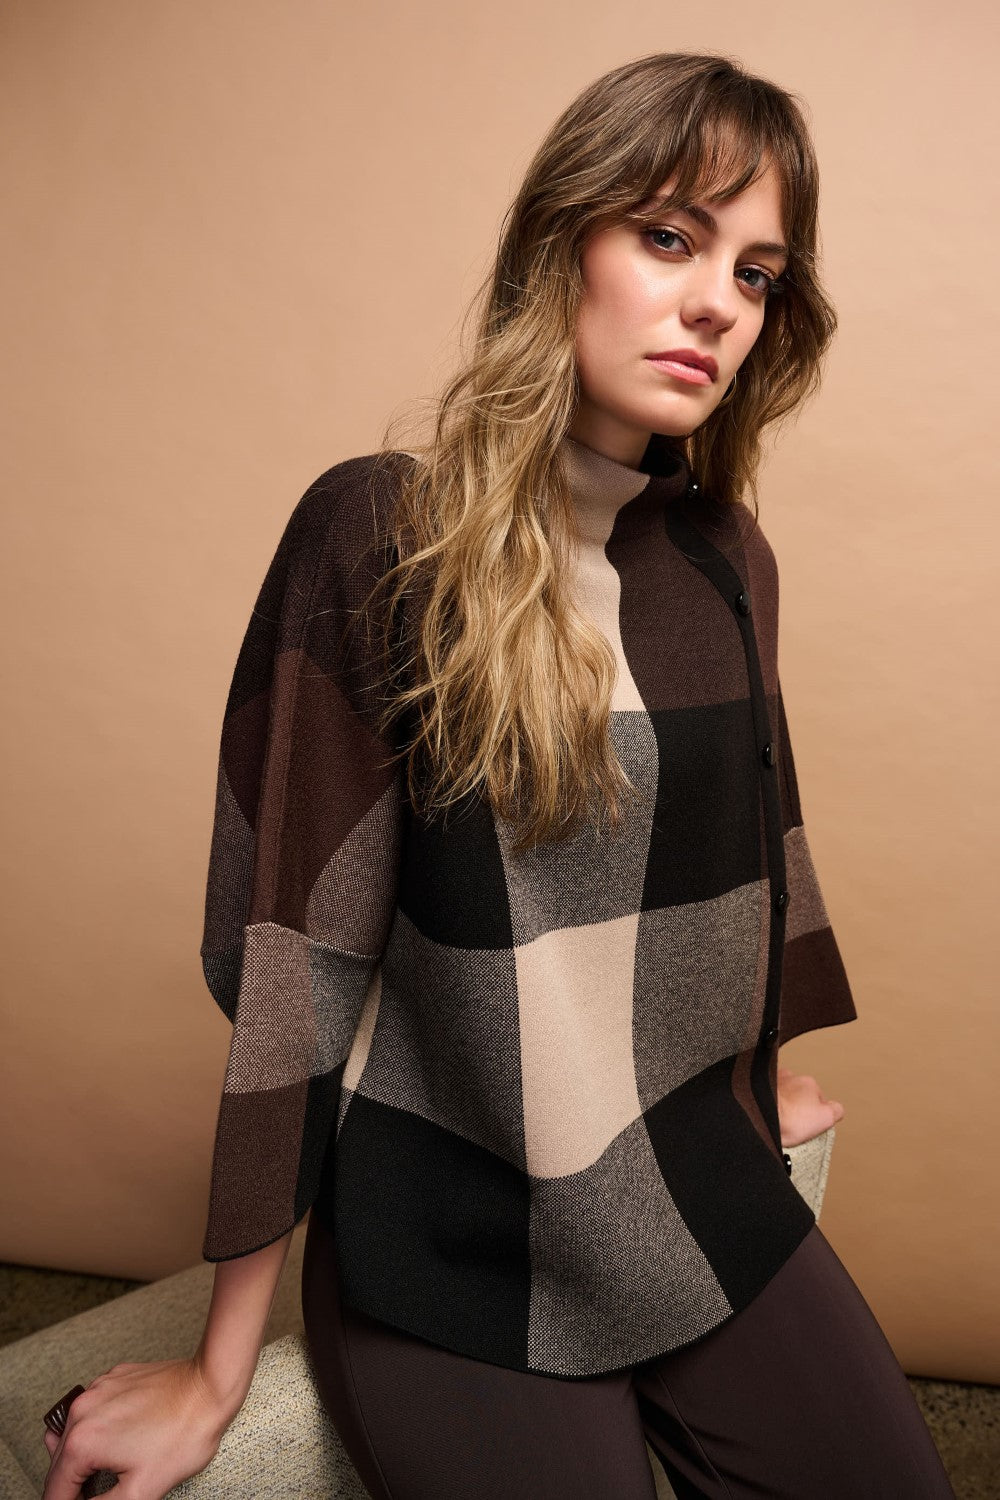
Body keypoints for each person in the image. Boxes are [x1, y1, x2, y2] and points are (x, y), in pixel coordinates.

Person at [42, 49, 957, 1500]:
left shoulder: (726, 559)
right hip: (452, 1219)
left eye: (756, 272)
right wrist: (218, 1367)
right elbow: (296, 958)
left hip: (688, 1172)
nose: (718, 303)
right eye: (670, 236)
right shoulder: (380, 535)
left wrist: (746, 1079)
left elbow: (755, 855)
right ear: (560, 242)